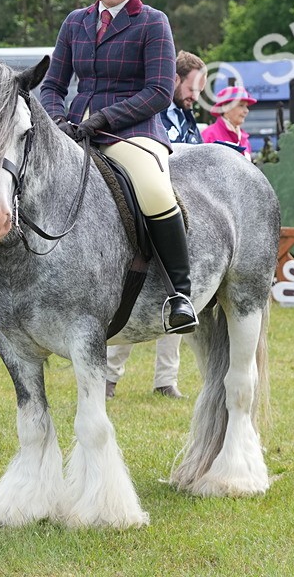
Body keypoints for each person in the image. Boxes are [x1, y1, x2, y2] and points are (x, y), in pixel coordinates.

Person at [40, 0, 198, 336]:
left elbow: (160, 91)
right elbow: (53, 84)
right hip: (74, 132)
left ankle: (181, 294)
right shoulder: (75, 22)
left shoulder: (152, 21)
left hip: (132, 132)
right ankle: (26, 300)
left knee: (152, 188)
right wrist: (57, 120)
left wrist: (104, 119)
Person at [105, 51, 209, 399]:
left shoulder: (188, 115)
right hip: (151, 192)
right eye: (193, 88)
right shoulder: (157, 112)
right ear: (175, 78)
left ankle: (166, 379)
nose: (196, 96)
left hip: (183, 197)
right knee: (135, 289)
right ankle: (109, 375)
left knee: (176, 299)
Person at [201, 85, 257, 156]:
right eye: (241, 105)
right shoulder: (209, 136)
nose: (246, 111)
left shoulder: (244, 139)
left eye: (246, 106)